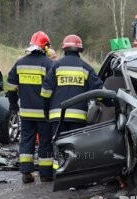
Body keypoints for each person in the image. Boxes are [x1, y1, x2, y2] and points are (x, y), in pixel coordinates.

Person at [41, 35, 104, 170]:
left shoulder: (56, 66)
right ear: (79, 50)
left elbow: (45, 92)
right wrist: (110, 102)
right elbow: (99, 91)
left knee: (58, 145)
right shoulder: (86, 68)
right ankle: (73, 176)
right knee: (75, 147)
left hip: (57, 116)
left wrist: (46, 111)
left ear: (64, 49)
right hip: (78, 118)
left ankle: (59, 174)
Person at [7, 31, 55, 184]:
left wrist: (13, 105)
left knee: (26, 141)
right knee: (45, 142)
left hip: (26, 112)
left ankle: (26, 173)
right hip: (44, 113)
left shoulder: (19, 63)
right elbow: (53, 88)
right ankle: (46, 174)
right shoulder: (48, 64)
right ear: (45, 47)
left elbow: (11, 87)